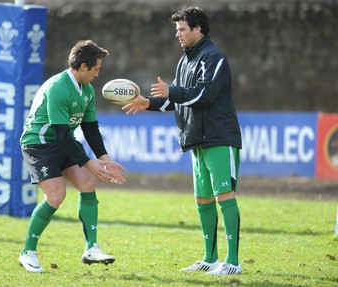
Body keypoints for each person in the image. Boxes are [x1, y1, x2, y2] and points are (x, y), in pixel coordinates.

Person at [122, 6, 242, 275]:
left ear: (198, 28)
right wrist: (148, 103)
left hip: (220, 137)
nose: (177, 34)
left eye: (181, 29)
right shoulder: (185, 60)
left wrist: (172, 91)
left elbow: (204, 95)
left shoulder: (214, 58)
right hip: (196, 139)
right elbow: (177, 101)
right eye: (176, 29)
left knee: (225, 197)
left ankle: (232, 262)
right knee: (203, 200)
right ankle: (210, 259)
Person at [19, 40, 126, 273]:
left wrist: (105, 161)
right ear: (84, 66)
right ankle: (28, 252)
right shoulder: (59, 87)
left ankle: (91, 248)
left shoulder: (86, 89)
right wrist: (88, 163)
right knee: (56, 195)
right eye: (96, 68)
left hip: (62, 140)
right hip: (39, 143)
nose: (99, 73)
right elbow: (59, 133)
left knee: (87, 183)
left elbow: (90, 127)